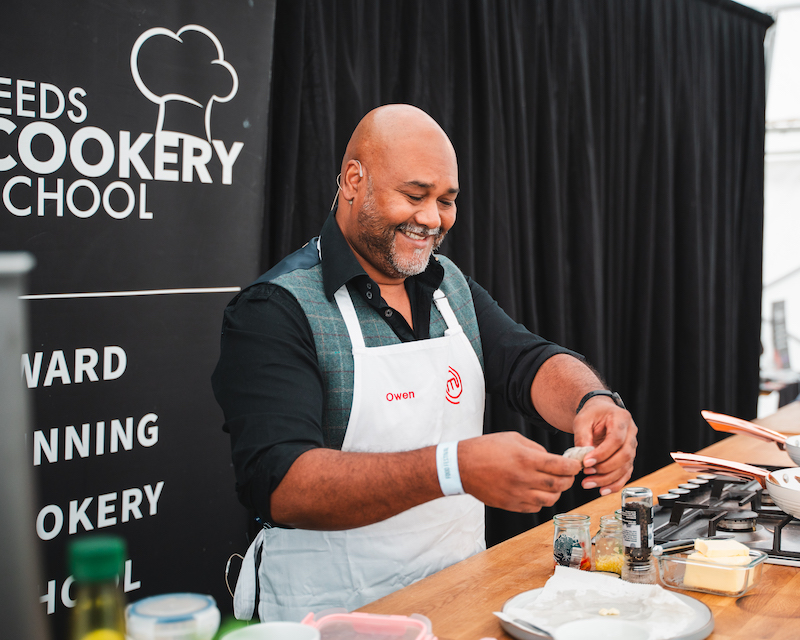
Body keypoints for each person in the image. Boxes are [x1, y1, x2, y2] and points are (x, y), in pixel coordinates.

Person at [211, 104, 638, 622]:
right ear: (353, 180)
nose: (433, 219)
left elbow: (525, 360)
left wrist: (592, 403)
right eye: (415, 196)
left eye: (447, 201)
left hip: (456, 597)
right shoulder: (276, 308)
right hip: (327, 616)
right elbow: (281, 484)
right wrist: (453, 468)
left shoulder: (447, 285)